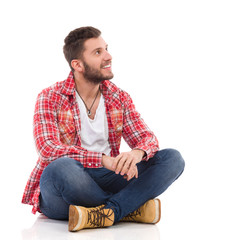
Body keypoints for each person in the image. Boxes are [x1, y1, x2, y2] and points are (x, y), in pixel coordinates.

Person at [22, 26, 185, 232]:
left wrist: (136, 153)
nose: (108, 56)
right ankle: (129, 207)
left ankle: (108, 211)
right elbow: (48, 149)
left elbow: (147, 138)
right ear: (78, 65)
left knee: (172, 158)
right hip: (66, 186)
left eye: (106, 48)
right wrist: (102, 159)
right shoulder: (50, 97)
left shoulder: (119, 97)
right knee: (60, 167)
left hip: (108, 177)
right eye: (98, 52)